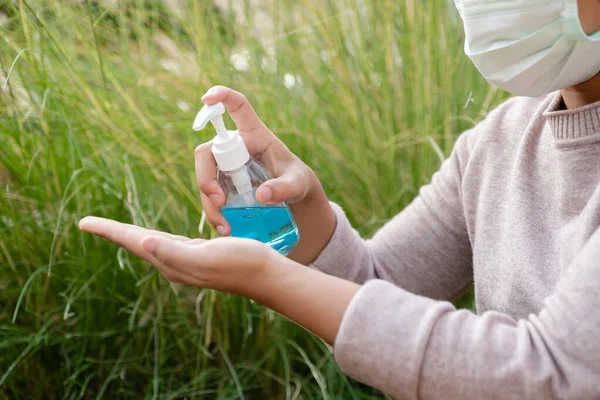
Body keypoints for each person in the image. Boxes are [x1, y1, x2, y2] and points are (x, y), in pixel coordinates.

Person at [79, 0, 600, 398]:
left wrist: (268, 279)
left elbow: (552, 372)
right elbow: (381, 286)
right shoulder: (501, 140)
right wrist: (305, 206)